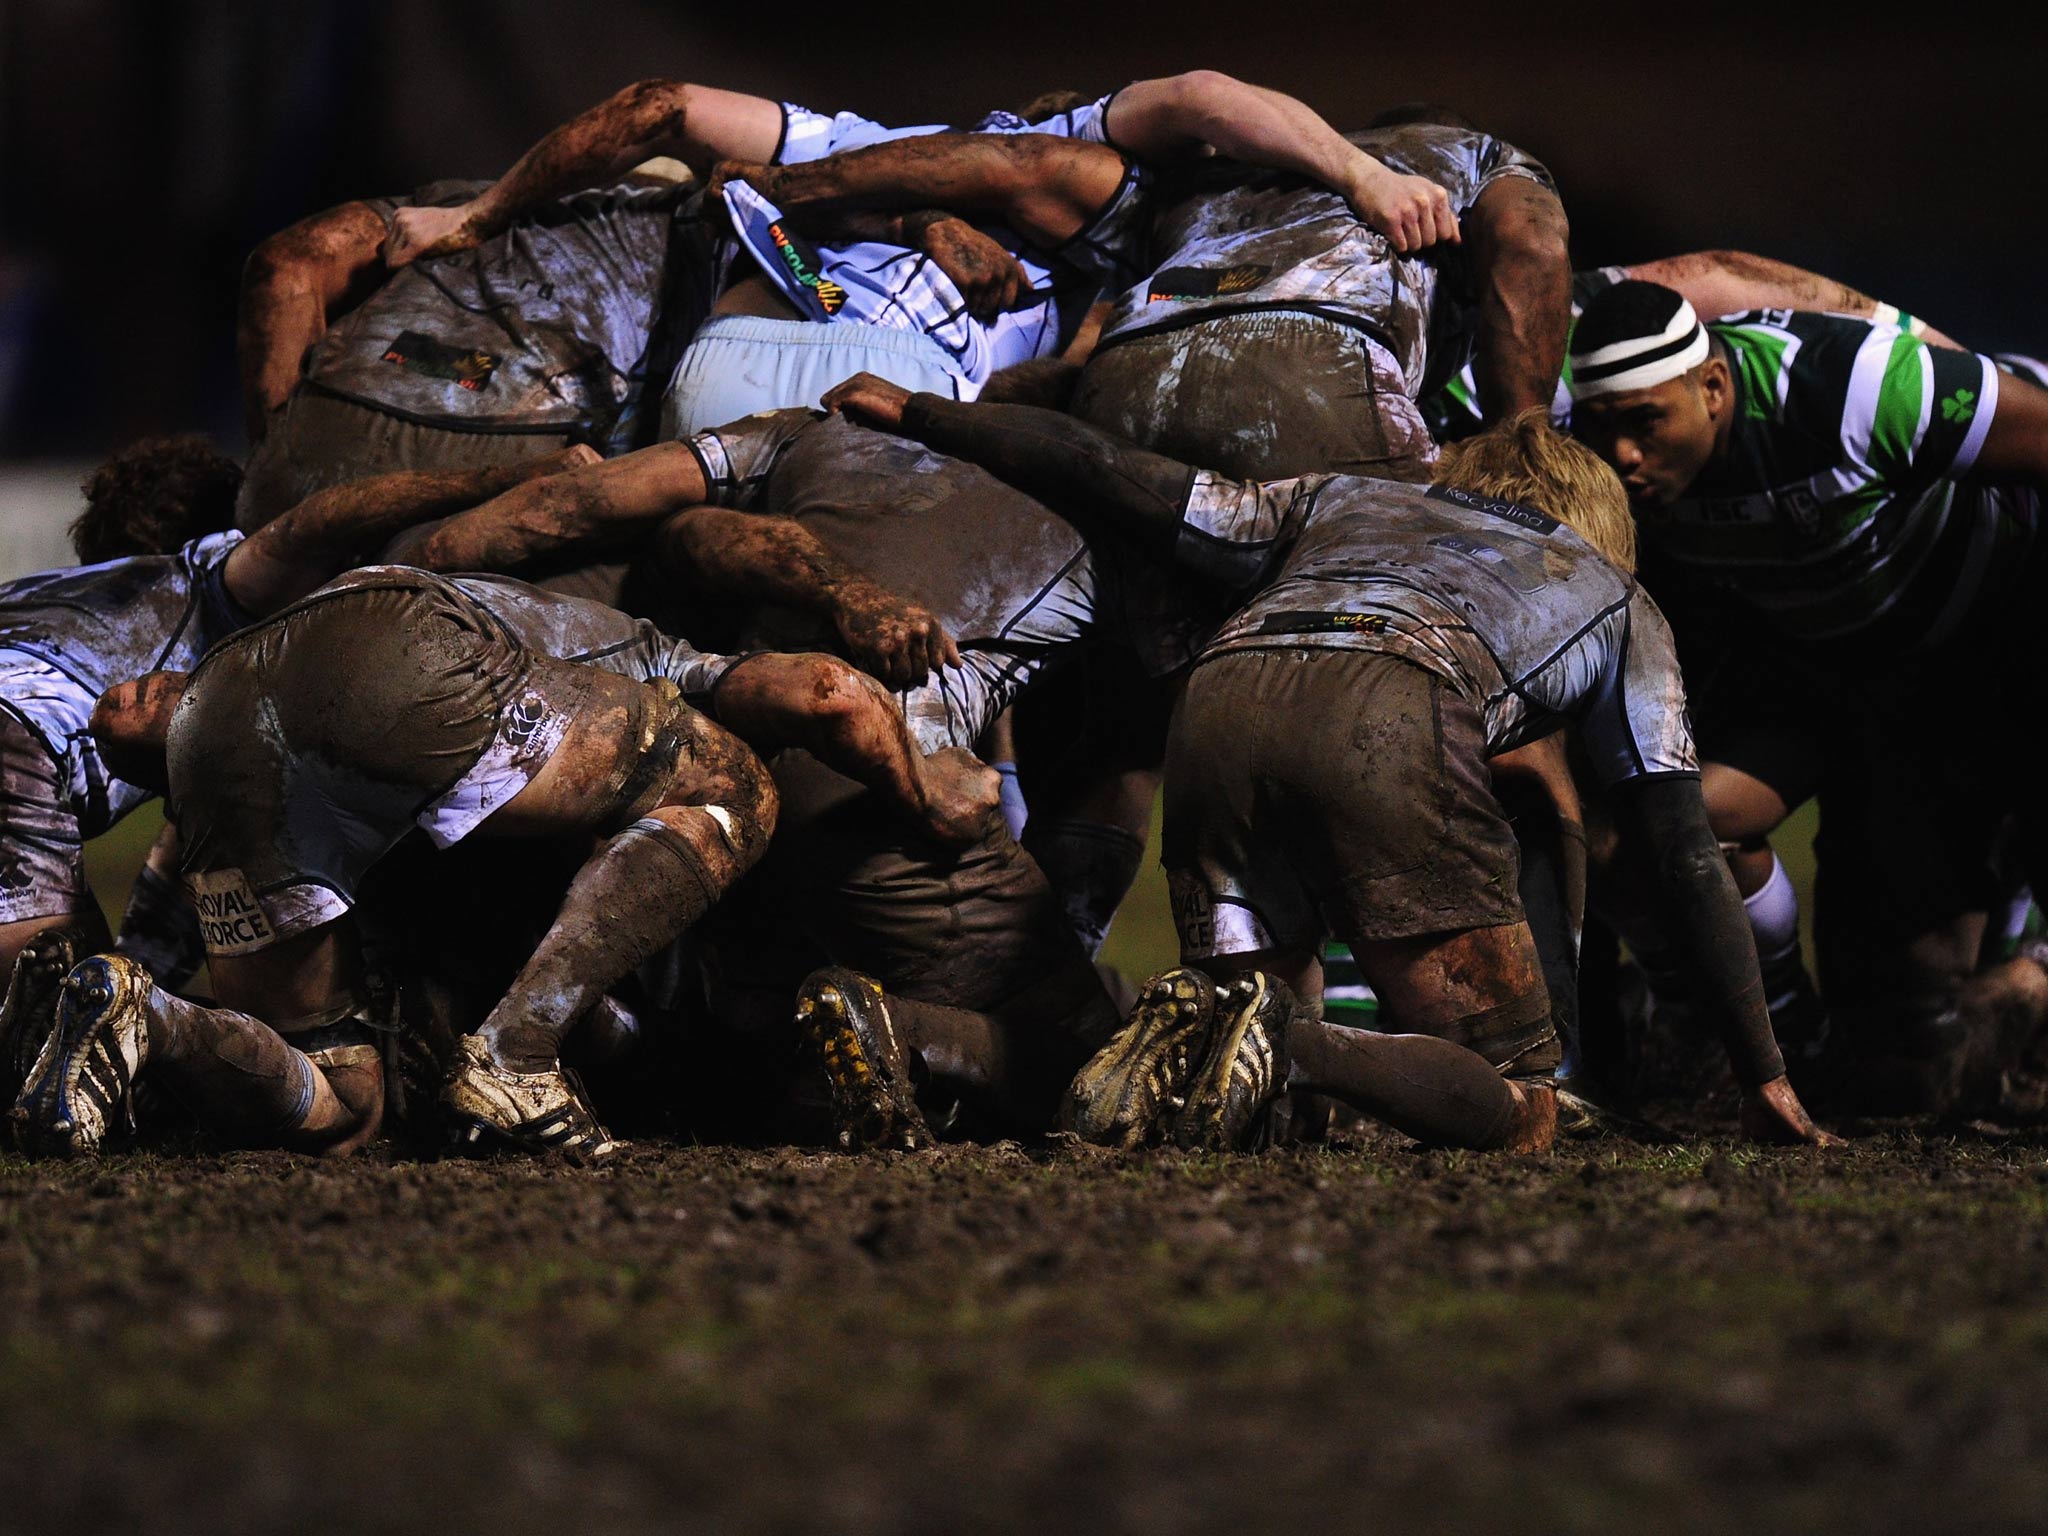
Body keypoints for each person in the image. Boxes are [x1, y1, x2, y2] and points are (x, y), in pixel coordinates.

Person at [821, 372, 1836, 1150]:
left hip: (1217, 707)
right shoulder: (1612, 596)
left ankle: (914, 1031)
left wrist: (922, 412)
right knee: (1522, 1100)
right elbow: (1685, 850)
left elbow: (1110, 471)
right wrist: (1764, 1073)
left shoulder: (1337, 500)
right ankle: (1297, 1041)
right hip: (1395, 713)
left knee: (1219, 1073)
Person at [12, 559, 995, 1163]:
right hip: (399, 650)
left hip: (241, 734)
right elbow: (822, 692)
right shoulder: (638, 647)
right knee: (731, 788)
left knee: (339, 1105)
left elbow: (175, 874)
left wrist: (143, 953)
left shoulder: (211, 714)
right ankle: (516, 1060)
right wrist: (925, 798)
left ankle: (151, 1019)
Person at [393, 391, 1128, 1146]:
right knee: (1091, 1050)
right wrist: (928, 785)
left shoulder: (820, 439)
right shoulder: (1097, 531)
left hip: (725, 765)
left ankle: (607, 1040)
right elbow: (1114, 754)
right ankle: (895, 1030)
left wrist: (410, 577)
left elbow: (598, 512)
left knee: (738, 998)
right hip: (872, 790)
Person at [0, 435, 602, 1107]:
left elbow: (325, 520)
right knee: (52, 1031)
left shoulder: (81, 594)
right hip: (18, 737)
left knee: (73, 1010)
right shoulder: (222, 608)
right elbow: (325, 521)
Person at [1567, 281, 2048, 1111]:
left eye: (1645, 421)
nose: (1623, 456)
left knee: (1933, 1021)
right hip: (1817, 672)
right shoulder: (1595, 463)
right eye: (1602, 426)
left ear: (1713, 388)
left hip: (1977, 651)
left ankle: (2030, 967)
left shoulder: (1852, 389)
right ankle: (1782, 1034)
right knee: (1659, 827)